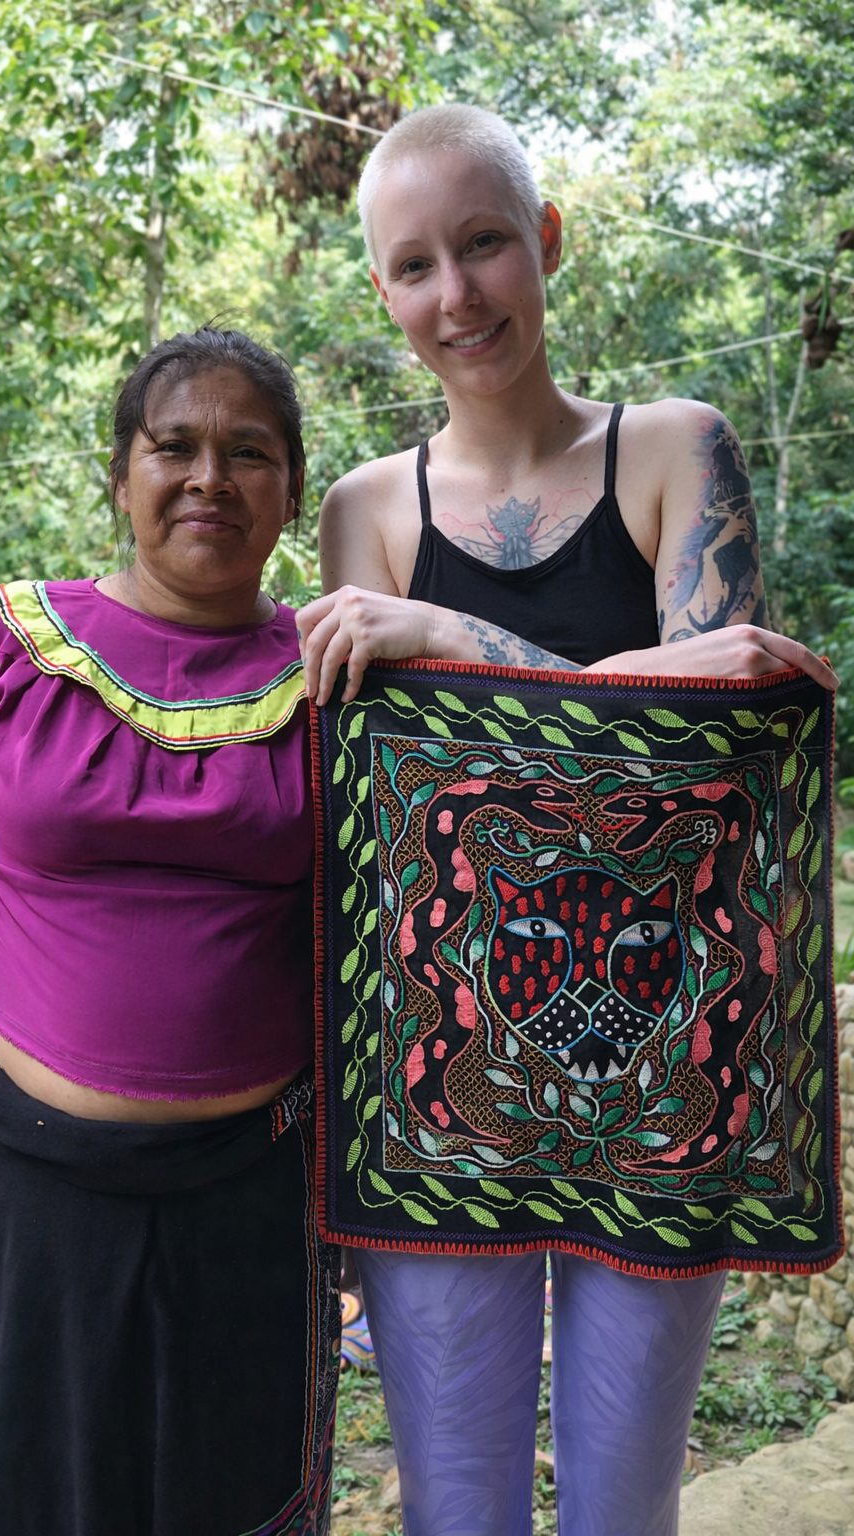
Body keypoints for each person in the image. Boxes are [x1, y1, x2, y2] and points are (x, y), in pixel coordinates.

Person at [296, 105, 837, 1536]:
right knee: (455, 1508)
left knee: (623, 1508)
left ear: (546, 241)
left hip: (666, 1070)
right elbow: (380, 812)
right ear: (383, 293)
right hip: (440, 1075)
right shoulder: (363, 509)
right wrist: (648, 678)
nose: (456, 294)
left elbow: (710, 763)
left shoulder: (675, 447)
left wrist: (442, 637)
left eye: (483, 243)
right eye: (414, 265)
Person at [0, 327, 339, 1536]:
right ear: (120, 476)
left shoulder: (334, 679)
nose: (209, 479)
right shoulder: (15, 644)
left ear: (292, 489)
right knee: (32, 1497)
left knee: (229, 1502)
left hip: (252, 1193)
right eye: (173, 447)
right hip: (33, 1191)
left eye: (250, 453)